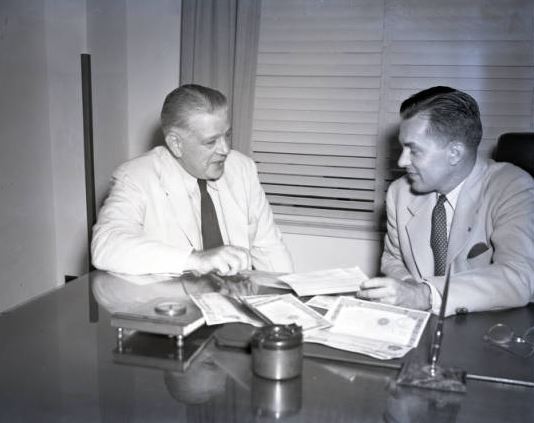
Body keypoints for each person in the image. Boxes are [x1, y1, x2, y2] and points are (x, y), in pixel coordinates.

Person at [358, 86, 534, 316]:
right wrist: (408, 288)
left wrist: (425, 295)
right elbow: (393, 259)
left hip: (485, 326)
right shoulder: (399, 192)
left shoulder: (513, 186)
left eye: (413, 150)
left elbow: (520, 275)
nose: (401, 161)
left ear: (455, 153)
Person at [92, 84, 293, 276]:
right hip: (171, 299)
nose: (225, 149)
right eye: (211, 141)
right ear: (176, 143)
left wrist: (290, 294)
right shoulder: (136, 177)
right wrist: (196, 260)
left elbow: (270, 249)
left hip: (233, 297)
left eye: (227, 135)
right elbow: (106, 245)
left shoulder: (242, 169)